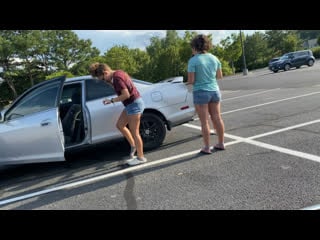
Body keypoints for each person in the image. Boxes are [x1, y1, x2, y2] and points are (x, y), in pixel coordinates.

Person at [89, 62, 147, 166]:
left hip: (134, 104)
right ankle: (133, 146)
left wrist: (111, 100)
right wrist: (110, 84)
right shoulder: (117, 73)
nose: (103, 81)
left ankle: (141, 157)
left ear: (105, 73)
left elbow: (126, 95)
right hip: (131, 105)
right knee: (120, 125)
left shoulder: (117, 78)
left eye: (102, 78)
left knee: (135, 132)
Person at [187, 34, 225, 154]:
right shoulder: (214, 58)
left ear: (194, 47)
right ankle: (221, 143)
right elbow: (219, 76)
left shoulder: (193, 61)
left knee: (204, 121)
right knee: (217, 118)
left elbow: (191, 81)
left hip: (200, 92)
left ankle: (207, 147)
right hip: (214, 90)